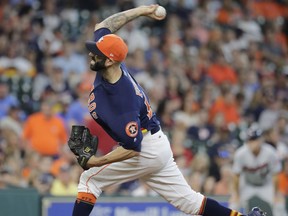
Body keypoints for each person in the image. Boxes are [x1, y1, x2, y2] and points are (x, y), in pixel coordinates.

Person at [70, 4, 265, 216]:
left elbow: (133, 148)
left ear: (109, 60)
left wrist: (96, 161)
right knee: (190, 202)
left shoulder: (123, 100)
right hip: (156, 143)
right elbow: (104, 25)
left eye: (97, 54)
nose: (91, 55)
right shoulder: (111, 67)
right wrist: (143, 10)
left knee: (90, 179)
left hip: (145, 149)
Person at [230, 124, 282, 215]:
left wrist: (276, 193)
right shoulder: (240, 154)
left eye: (254, 139)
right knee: (234, 204)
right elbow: (236, 176)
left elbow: (275, 175)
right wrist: (236, 194)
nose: (252, 142)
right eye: (250, 140)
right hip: (247, 184)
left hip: (265, 184)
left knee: (279, 205)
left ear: (261, 140)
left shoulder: (270, 153)